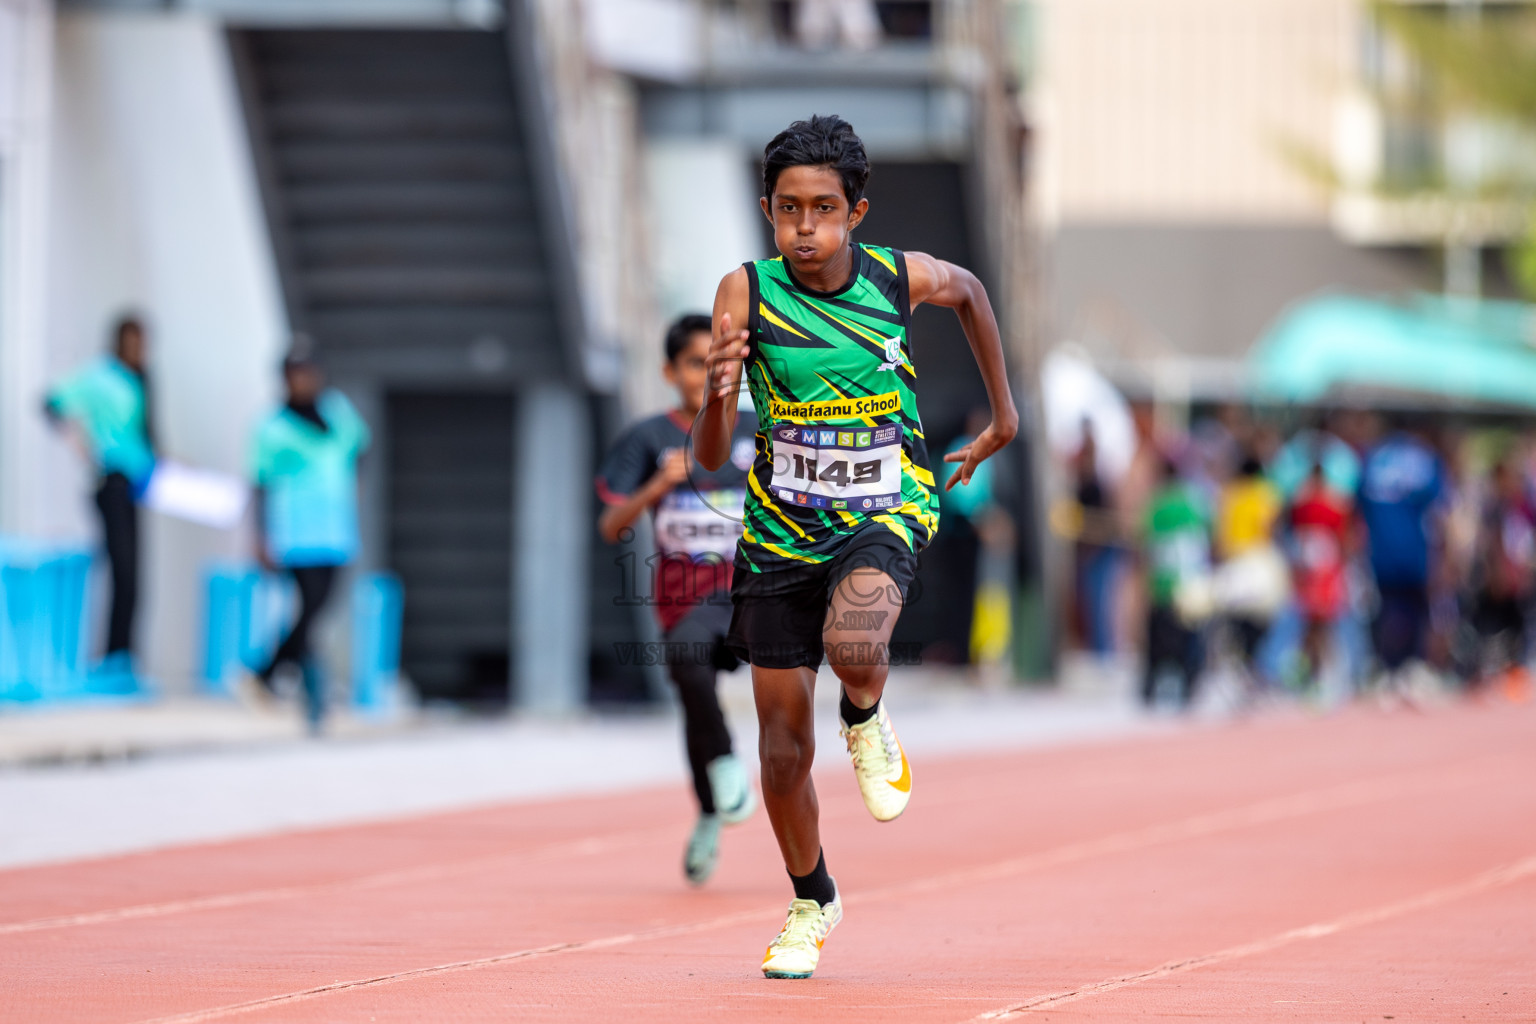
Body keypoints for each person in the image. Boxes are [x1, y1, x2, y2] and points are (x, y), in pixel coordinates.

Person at [694, 114, 1017, 979]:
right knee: (779, 750)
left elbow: (975, 295)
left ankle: (866, 715)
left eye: (824, 210)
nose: (806, 230)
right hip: (777, 533)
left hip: (885, 504)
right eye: (789, 211)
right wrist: (722, 393)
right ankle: (812, 900)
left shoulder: (896, 277)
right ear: (768, 210)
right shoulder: (744, 294)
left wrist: (1004, 414)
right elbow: (707, 454)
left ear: (857, 212)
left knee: (855, 646)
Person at [594, 313, 759, 885]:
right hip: (683, 597)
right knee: (693, 686)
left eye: (720, 363)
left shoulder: (758, 431)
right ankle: (716, 794)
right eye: (696, 363)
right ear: (670, 371)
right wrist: (657, 487)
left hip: (754, 591)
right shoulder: (648, 438)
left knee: (785, 683)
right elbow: (611, 525)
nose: (709, 375)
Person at [247, 346, 370, 733]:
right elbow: (259, 484)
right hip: (295, 531)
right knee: (310, 607)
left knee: (319, 609)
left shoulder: (336, 410)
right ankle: (305, 692)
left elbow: (360, 448)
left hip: (335, 529)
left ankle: (269, 674)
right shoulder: (272, 426)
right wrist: (260, 536)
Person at [44, 315, 157, 683]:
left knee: (134, 575)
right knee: (121, 570)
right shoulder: (99, 377)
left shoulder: (143, 379)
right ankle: (112, 656)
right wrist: (81, 443)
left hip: (136, 484)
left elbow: (146, 433)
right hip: (109, 482)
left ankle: (124, 654)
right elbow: (52, 403)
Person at [1356, 421, 1447, 694]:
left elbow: (1359, 510)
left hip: (1380, 552)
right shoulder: (1424, 459)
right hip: (1415, 553)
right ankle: (1411, 669)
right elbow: (1440, 513)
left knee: (1385, 612)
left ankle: (1387, 670)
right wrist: (1444, 557)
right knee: (1417, 612)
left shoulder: (1372, 459)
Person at [1142, 457, 1212, 709]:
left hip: (1163, 583)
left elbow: (1145, 538)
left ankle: (1150, 687)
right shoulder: (1192, 503)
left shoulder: (1157, 504)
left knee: (1158, 639)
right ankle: (1188, 684)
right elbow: (1204, 536)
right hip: (1188, 582)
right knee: (1188, 636)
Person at [1286, 460, 1352, 697]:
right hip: (1316, 571)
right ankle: (1316, 674)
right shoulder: (1323, 505)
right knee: (1315, 626)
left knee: (1320, 626)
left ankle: (1325, 674)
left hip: (1321, 571)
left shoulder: (1310, 505)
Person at [1215, 454, 1282, 687]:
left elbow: (1219, 532)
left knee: (1236, 617)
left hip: (1232, 561)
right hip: (1256, 560)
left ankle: (1240, 663)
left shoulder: (1228, 494)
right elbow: (1270, 527)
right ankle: (1253, 665)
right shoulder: (1264, 493)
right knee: (1262, 617)